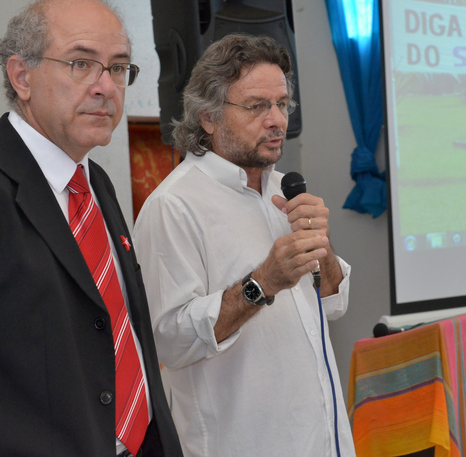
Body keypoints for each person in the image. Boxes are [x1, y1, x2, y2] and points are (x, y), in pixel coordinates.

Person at [0, 0, 184, 457]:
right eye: (81, 63)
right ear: (22, 77)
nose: (106, 86)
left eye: (118, 68)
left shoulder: (95, 183)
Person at [133, 33, 356, 456]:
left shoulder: (285, 190)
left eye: (282, 104)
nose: (276, 120)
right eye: (257, 106)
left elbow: (333, 303)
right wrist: (263, 283)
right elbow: (169, 341)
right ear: (209, 117)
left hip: (323, 441)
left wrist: (322, 248)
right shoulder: (173, 206)